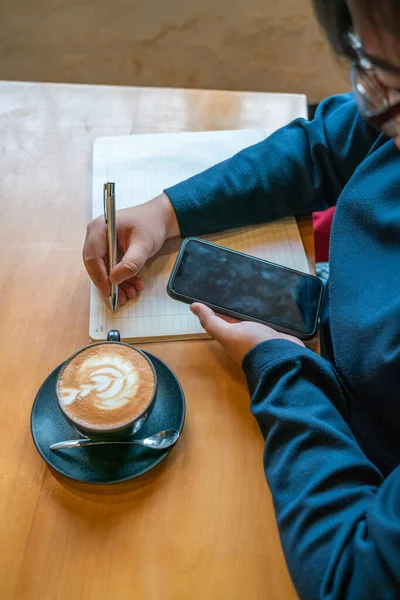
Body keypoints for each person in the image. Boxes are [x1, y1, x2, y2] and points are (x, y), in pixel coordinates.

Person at [83, 1, 400, 597]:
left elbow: (354, 578)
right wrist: (167, 211)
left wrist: (281, 366)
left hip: (344, 465)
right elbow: (323, 147)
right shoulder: (388, 103)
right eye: (373, 69)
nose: (379, 109)